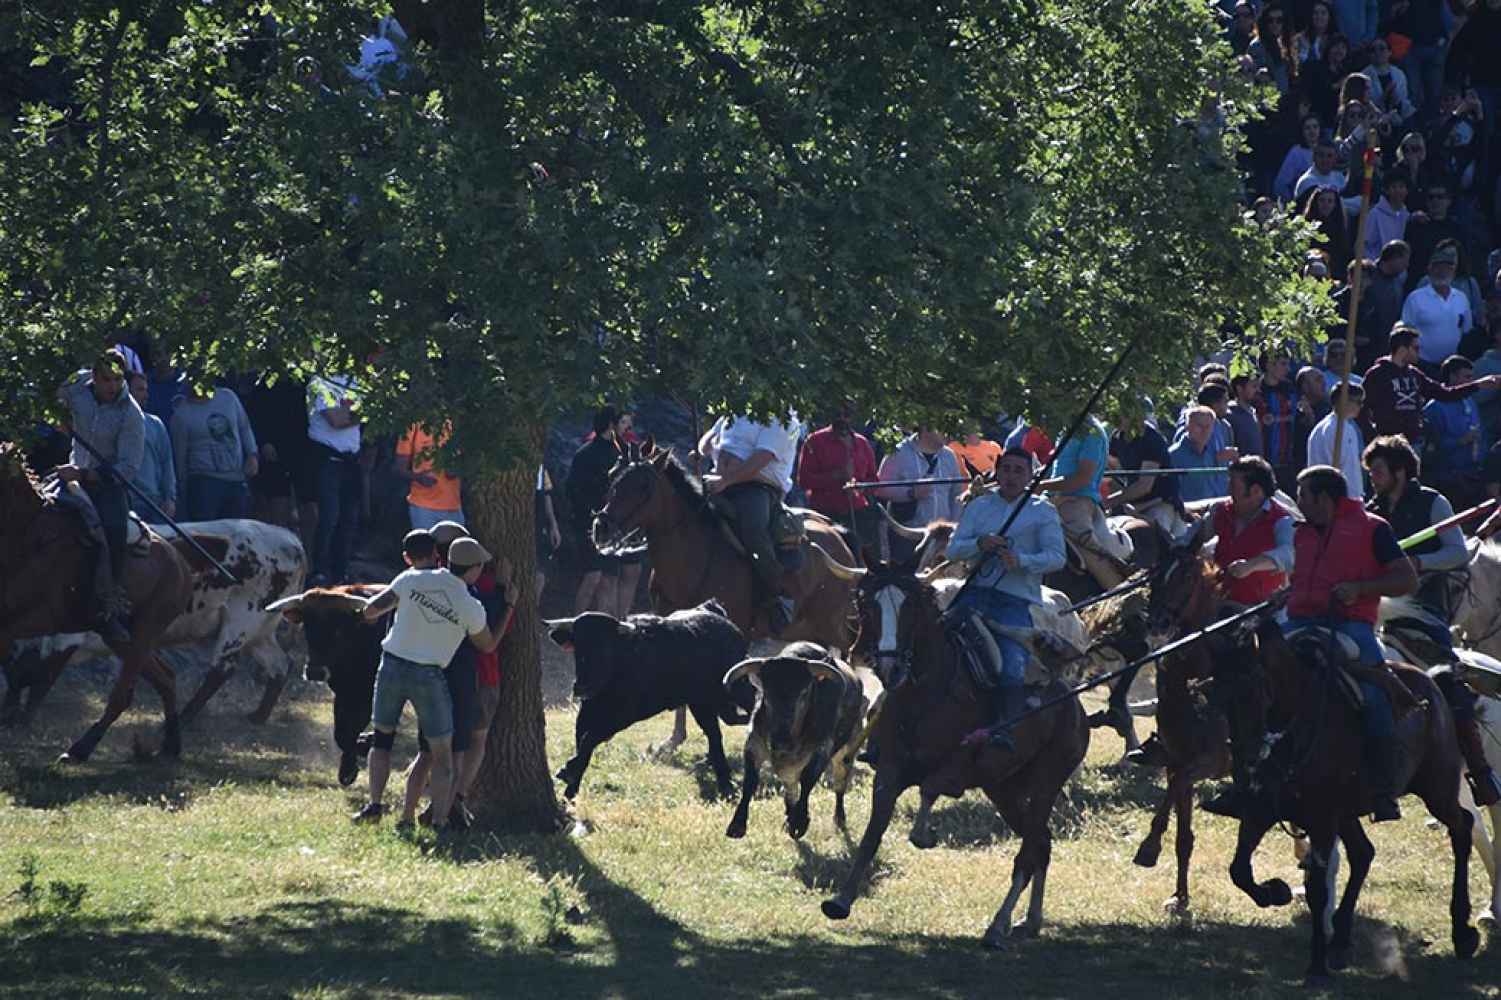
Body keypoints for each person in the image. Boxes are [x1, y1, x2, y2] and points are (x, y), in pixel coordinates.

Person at [1363, 436, 1501, 806]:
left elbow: (1457, 553)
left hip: (1423, 610)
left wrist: (1420, 563)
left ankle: (1480, 771)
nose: (1372, 478)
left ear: (1400, 471)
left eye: (1377, 471)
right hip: (1372, 608)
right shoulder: (1371, 511)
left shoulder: (1433, 502)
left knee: (1448, 683)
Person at [1284, 465, 1419, 821]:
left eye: (1302, 495)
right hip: (1298, 621)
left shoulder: (1374, 529)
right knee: (1255, 671)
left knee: (1375, 696)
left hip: (1350, 625)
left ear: (1324, 498)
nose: (1298, 503)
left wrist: (1361, 590)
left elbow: (1406, 579)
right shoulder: (1301, 533)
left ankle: (1383, 786)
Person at [353, 530, 504, 830]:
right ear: (473, 569)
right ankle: (438, 822)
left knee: (382, 740)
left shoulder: (411, 579)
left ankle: (375, 805)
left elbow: (371, 610)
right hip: (429, 675)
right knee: (442, 755)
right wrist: (509, 607)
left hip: (392, 666)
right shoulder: (471, 607)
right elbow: (487, 645)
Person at [1187, 456, 1295, 812]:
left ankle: (1263, 737)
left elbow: (1287, 554)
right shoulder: (1223, 511)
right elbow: (1194, 537)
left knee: (1256, 666)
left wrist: (1254, 565)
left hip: (1265, 612)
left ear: (1256, 490)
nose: (1228, 489)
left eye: (1234, 483)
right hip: (1221, 609)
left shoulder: (1281, 519)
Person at [946, 448, 1067, 749]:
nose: (1012, 476)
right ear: (997, 471)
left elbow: (1057, 557)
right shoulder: (979, 507)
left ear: (1030, 476)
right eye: (1007, 469)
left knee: (1011, 662)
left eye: (1019, 471)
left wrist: (1022, 560)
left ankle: (1004, 729)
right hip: (973, 593)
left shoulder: (1043, 511)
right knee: (931, 644)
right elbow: (952, 549)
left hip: (1014, 599)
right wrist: (979, 543)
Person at [55, 351, 144, 644]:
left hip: (105, 485)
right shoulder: (74, 386)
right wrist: (57, 416)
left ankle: (112, 601)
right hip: (71, 473)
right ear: (93, 376)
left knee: (115, 530)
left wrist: (84, 475)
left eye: (118, 380)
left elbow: (127, 469)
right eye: (107, 379)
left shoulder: (131, 414)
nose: (113, 386)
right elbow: (49, 399)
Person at [707, 413, 801, 630]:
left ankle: (776, 593)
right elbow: (709, 438)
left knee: (753, 530)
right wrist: (704, 448)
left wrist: (726, 480)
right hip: (719, 480)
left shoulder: (783, 418)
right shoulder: (735, 410)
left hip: (758, 487)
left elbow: (762, 457)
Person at [1362, 326, 1501, 448]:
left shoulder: (1414, 374)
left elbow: (1445, 394)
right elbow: (1363, 408)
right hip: (1387, 442)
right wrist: (1372, 436)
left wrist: (1478, 385)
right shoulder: (1377, 374)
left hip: (1412, 443)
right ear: (1403, 349)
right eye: (1415, 348)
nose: (1419, 352)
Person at [1044, 415, 1128, 587]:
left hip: (1077, 501)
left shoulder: (1091, 432)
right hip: (1055, 498)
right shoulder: (1067, 428)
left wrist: (1039, 487)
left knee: (1088, 549)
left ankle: (1121, 597)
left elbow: (1082, 478)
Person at [565, 406, 627, 616]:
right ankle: (575, 627)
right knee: (593, 576)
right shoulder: (585, 454)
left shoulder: (620, 453)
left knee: (610, 580)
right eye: (620, 422)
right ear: (611, 425)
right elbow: (572, 491)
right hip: (589, 525)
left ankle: (605, 631)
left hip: (613, 527)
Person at [169, 376, 258, 521]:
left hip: (236, 479)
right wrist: (182, 491)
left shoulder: (228, 397)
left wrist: (252, 454)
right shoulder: (181, 414)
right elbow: (180, 458)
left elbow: (244, 427)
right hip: (203, 484)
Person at [306, 374, 362, 586]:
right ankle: (319, 570)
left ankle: (341, 572)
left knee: (349, 519)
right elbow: (336, 420)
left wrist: (356, 415)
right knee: (329, 516)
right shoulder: (320, 382)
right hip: (326, 458)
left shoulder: (358, 382)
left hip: (351, 459)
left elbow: (349, 417)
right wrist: (367, 414)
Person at [876, 426, 965, 561]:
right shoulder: (897, 453)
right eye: (942, 425)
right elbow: (880, 489)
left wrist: (953, 527)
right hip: (907, 536)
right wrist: (911, 493)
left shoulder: (949, 456)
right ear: (926, 428)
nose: (948, 432)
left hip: (941, 538)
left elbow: (957, 494)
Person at [797, 402, 880, 543]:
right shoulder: (815, 441)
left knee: (866, 556)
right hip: (825, 513)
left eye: (846, 415)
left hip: (857, 512)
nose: (841, 419)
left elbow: (874, 480)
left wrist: (860, 486)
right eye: (837, 414)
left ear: (852, 417)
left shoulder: (862, 443)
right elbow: (804, 480)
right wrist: (836, 476)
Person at [244, 370, 312, 535]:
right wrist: (264, 442)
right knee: (277, 502)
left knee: (309, 504)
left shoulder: (307, 381)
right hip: (273, 449)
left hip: (303, 448)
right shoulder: (264, 383)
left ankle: (309, 554)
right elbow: (254, 415)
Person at [1107, 406, 1185, 538]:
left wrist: (1110, 501)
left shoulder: (1152, 439)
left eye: (1122, 414)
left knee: (1156, 539)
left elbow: (1144, 486)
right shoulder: (1116, 438)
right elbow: (1110, 472)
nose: (1115, 418)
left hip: (1160, 502)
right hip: (1133, 503)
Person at [1422, 355, 1486, 509]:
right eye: (1466, 377)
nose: (1471, 381)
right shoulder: (1434, 407)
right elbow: (1432, 448)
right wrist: (1461, 441)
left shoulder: (1469, 400)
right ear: (1452, 376)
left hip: (1474, 472)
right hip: (1449, 478)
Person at [1400, 244, 1472, 374]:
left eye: (1447, 268)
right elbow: (1405, 332)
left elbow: (1466, 329)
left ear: (1453, 271)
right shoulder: (1415, 298)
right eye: (1437, 268)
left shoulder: (1461, 298)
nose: (1442, 272)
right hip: (1422, 365)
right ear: (1429, 270)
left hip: (1452, 367)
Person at [1345, 240, 1410, 372]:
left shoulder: (1397, 281)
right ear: (1394, 258)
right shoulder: (1367, 276)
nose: (1406, 265)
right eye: (1404, 261)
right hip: (1363, 348)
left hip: (1384, 346)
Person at [126, 371, 175, 524]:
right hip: (127, 501)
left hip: (155, 502)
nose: (145, 395)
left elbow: (166, 463)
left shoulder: (155, 424)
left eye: (146, 390)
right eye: (140, 390)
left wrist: (170, 497)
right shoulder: (114, 423)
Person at [395, 422, 463, 530]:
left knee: (456, 546)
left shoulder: (455, 420)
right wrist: (419, 478)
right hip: (423, 507)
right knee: (424, 547)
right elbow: (399, 468)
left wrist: (457, 469)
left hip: (452, 505)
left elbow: (465, 462)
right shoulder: (413, 423)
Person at [1305, 380, 1366, 498]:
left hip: (1336, 495)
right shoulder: (1339, 429)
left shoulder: (1336, 426)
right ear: (1344, 401)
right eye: (1358, 402)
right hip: (1340, 497)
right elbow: (1340, 467)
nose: (1361, 406)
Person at [1258, 350, 1303, 490]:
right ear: (1269, 365)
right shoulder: (1256, 391)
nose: (1287, 369)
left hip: (1289, 461)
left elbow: (1300, 419)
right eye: (1283, 364)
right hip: (1264, 460)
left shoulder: (1290, 389)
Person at [1170, 406, 1232, 502]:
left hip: (1214, 510)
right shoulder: (1173, 456)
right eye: (1199, 426)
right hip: (1186, 512)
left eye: (1208, 426)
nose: (1204, 431)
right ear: (1187, 426)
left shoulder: (1215, 455)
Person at [1362, 172, 1418, 262]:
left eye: (1401, 187)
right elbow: (1365, 244)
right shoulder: (1375, 214)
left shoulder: (1406, 215)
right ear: (1386, 190)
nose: (1398, 191)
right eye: (1394, 187)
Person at [534, 465, 561, 598]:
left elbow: (546, 495)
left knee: (540, 577)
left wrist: (553, 525)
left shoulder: (542, 466)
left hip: (539, 527)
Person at [1226, 373, 1265, 457]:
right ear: (1239, 388)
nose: (1258, 390)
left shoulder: (1253, 411)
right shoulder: (1230, 414)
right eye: (1254, 386)